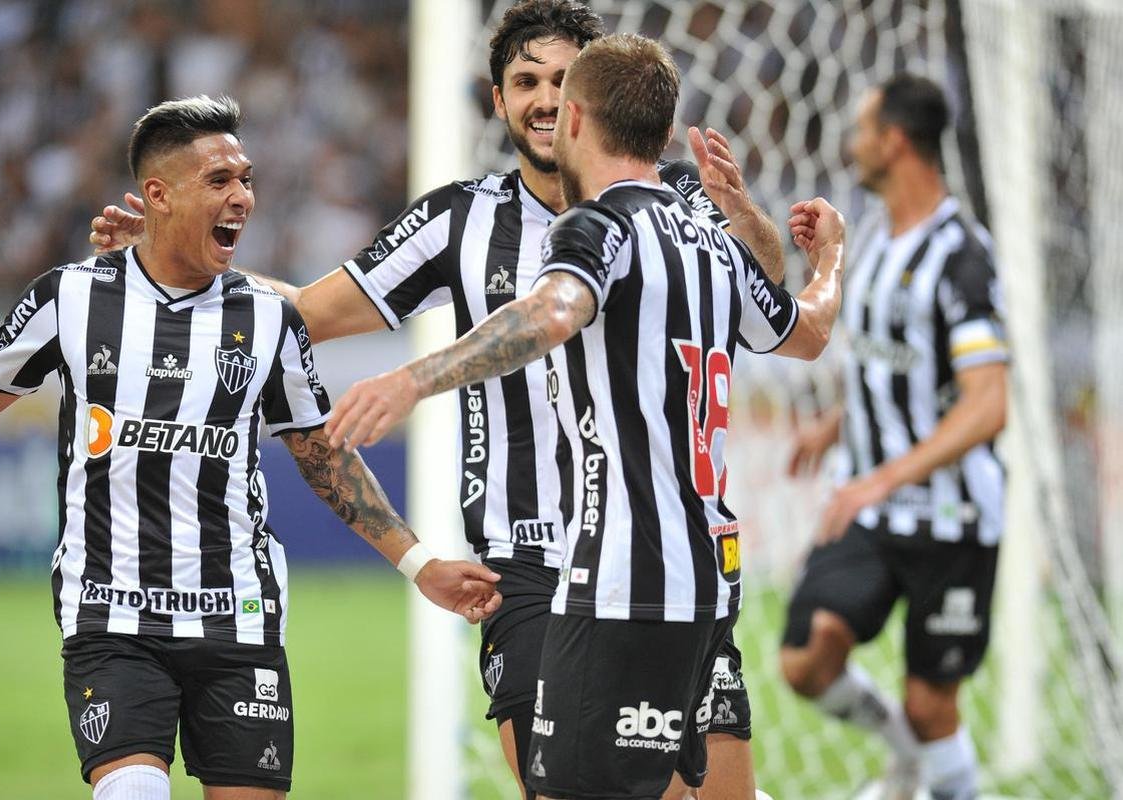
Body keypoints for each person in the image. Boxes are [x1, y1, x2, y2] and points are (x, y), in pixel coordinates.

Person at [88, 4, 784, 798]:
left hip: (668, 556)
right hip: (531, 569)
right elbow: (305, 314)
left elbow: (764, 303)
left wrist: (748, 220)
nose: (544, 98)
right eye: (524, 82)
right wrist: (169, 253)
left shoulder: (675, 200)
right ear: (498, 101)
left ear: (592, 94)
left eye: (561, 79)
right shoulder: (460, 219)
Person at [0, 95, 501, 800]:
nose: (241, 197)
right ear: (158, 195)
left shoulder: (267, 319)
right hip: (111, 612)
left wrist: (418, 564)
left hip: (237, 616)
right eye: (219, 181)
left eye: (245, 178)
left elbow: (322, 455)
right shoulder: (69, 301)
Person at [323, 33, 847, 800]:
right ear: (664, 134)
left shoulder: (596, 226)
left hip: (622, 578)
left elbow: (555, 308)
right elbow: (807, 330)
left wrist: (414, 378)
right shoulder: (709, 241)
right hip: (708, 572)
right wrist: (830, 259)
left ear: (572, 119)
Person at [779, 73, 1008, 800]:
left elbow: (986, 407)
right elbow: (903, 377)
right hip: (873, 511)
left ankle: (931, 765)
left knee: (931, 704)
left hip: (951, 518)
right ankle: (905, 756)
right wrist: (838, 426)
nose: (850, 143)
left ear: (894, 141)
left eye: (860, 130)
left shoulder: (962, 258)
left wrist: (878, 475)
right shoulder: (874, 243)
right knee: (804, 659)